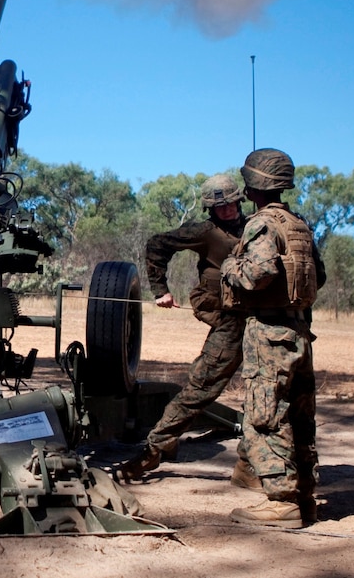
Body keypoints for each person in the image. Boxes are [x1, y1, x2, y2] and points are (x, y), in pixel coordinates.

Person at [118, 174, 257, 488]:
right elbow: (157, 244)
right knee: (200, 386)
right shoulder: (207, 232)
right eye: (218, 206)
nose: (226, 210)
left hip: (265, 323)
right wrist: (160, 290)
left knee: (270, 393)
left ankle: (254, 462)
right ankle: (157, 446)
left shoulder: (257, 228)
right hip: (230, 324)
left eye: (230, 203)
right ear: (210, 208)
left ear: (240, 199)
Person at [220, 148, 326, 528]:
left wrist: (231, 266)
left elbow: (258, 273)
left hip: (268, 332)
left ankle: (282, 503)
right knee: (300, 415)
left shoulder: (262, 224)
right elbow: (320, 275)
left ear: (252, 186)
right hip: (299, 329)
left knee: (265, 415)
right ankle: (304, 495)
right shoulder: (298, 224)